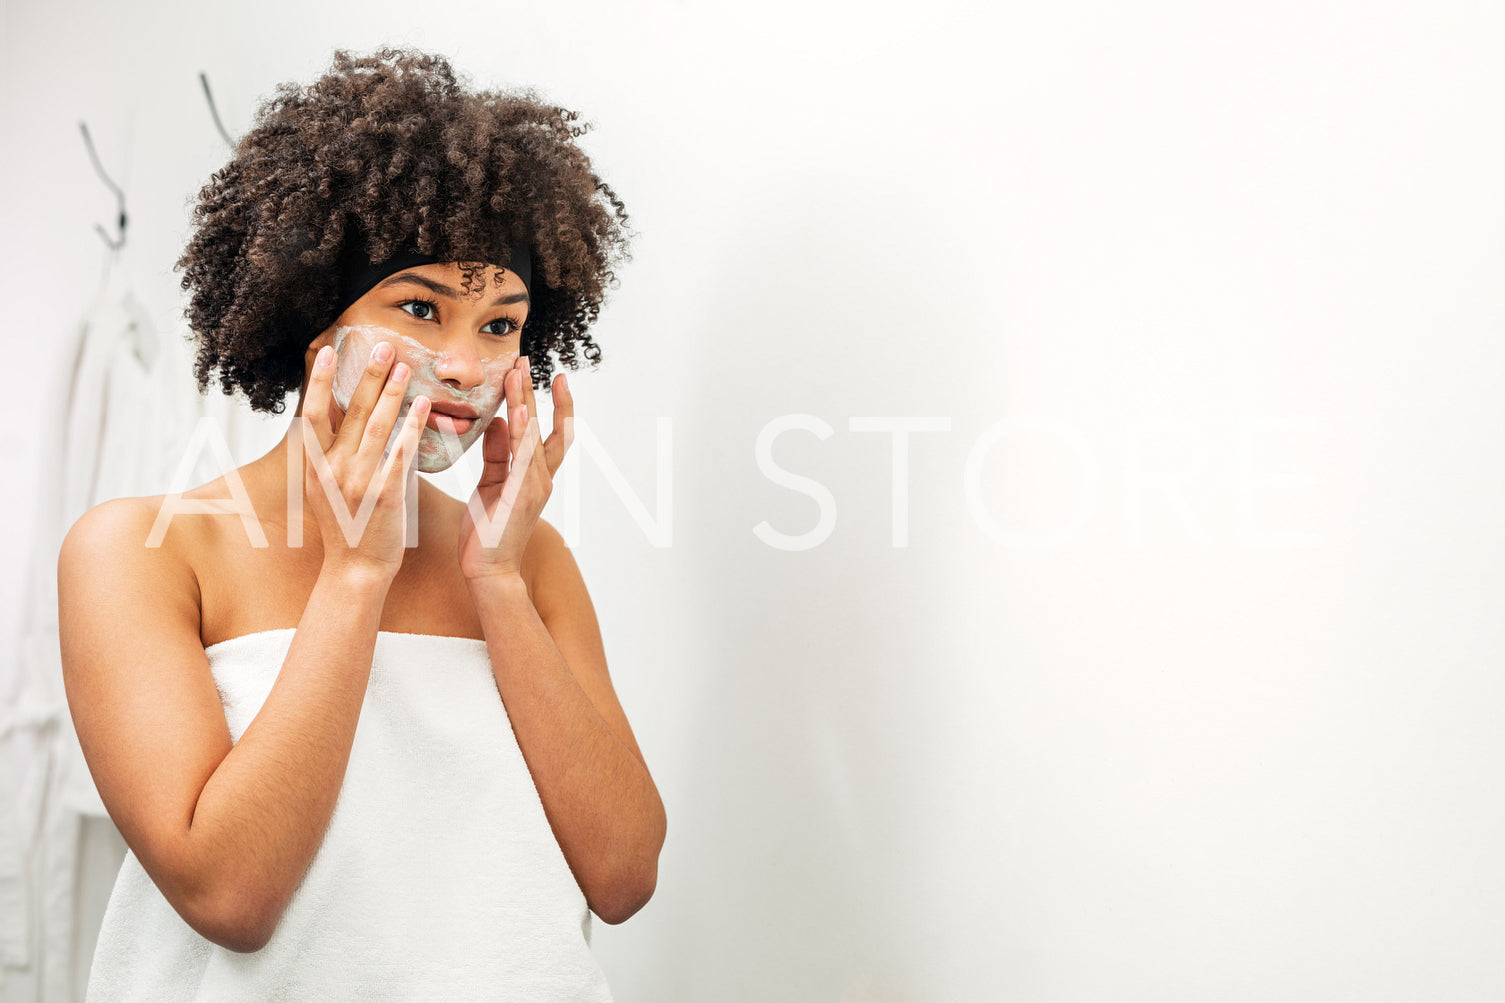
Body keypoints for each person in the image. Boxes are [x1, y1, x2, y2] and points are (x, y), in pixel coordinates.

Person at [57, 48, 665, 999]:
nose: (466, 364)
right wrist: (352, 575)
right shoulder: (146, 552)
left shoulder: (527, 559)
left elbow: (623, 877)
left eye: (501, 325)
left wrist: (497, 584)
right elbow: (229, 894)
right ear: (311, 327)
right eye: (421, 307)